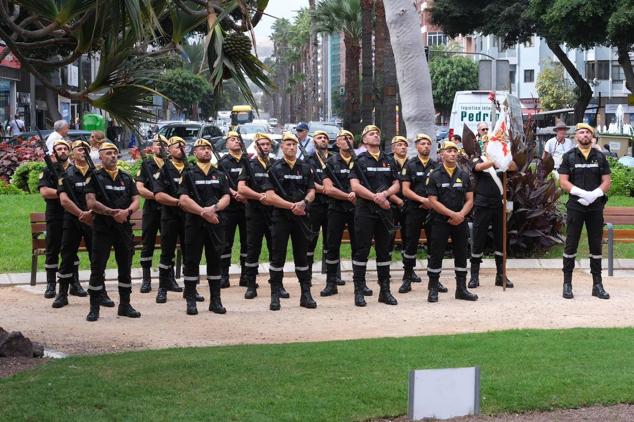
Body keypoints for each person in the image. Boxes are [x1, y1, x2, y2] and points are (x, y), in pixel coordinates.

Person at [85, 142, 141, 322]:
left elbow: (136, 201)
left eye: (115, 153)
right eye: (108, 153)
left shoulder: (126, 177)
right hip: (103, 228)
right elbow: (91, 203)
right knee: (97, 267)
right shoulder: (94, 176)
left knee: (125, 267)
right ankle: (94, 307)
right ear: (101, 157)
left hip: (123, 228)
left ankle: (125, 304)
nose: (113, 156)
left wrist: (126, 212)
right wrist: (112, 213)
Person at [262, 132, 316, 311]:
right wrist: (291, 206)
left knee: (302, 257)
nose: (291, 147)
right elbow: (269, 196)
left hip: (301, 218)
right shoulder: (275, 168)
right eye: (287, 144)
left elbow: (311, 191)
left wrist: (304, 203)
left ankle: (305, 294)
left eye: (294, 144)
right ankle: (275, 295)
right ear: (282, 147)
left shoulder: (306, 167)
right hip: (281, 218)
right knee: (278, 257)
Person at [558, 123, 611, 300]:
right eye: (581, 132)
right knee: (571, 244)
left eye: (588, 132)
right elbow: (563, 181)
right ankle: (567, 284)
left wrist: (594, 194)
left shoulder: (600, 157)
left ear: (592, 136)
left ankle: (597, 285)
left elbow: (606, 181)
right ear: (576, 137)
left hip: (595, 206)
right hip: (576, 205)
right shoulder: (569, 156)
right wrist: (581, 193)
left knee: (596, 245)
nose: (585, 135)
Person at [349, 125, 400, 307]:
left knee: (384, 251)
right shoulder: (359, 160)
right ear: (364, 140)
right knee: (362, 250)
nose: (376, 135)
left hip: (384, 211)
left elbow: (396, 185)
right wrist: (375, 198)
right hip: (366, 211)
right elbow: (355, 186)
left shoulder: (388, 159)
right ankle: (359, 290)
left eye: (377, 133)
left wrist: (385, 195)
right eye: (371, 134)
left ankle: (385, 291)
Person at [178, 138, 231, 315]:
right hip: (195, 224)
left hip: (216, 224)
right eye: (202, 149)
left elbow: (226, 197)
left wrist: (214, 209)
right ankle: (191, 300)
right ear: (195, 153)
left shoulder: (220, 174)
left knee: (215, 260)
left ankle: (216, 301)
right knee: (192, 261)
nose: (206, 151)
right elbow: (183, 200)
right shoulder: (189, 174)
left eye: (208, 148)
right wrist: (203, 212)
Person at [320, 130, 370, 297]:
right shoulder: (330, 161)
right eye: (343, 138)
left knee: (359, 246)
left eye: (349, 138)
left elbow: (367, 184)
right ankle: (331, 283)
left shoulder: (361, 161)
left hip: (358, 209)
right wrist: (348, 196)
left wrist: (357, 195)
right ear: (338, 143)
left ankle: (360, 283)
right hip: (337, 209)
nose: (347, 141)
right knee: (332, 245)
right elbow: (327, 188)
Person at [426, 140, 477, 303]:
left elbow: (470, 199)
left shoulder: (463, 174)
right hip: (440, 221)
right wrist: (452, 214)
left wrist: (460, 214)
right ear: (441, 154)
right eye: (449, 151)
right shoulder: (434, 175)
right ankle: (433, 288)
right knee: (436, 254)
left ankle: (461, 289)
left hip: (460, 221)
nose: (453, 154)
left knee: (462, 253)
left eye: (455, 151)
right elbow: (432, 201)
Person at [399, 133, 447, 294]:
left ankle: (435, 280)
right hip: (414, 210)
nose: (426, 146)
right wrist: (422, 200)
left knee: (434, 245)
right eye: (422, 144)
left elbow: (441, 189)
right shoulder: (410, 165)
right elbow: (405, 190)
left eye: (428, 144)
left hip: (433, 211)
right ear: (417, 146)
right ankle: (407, 279)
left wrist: (431, 203)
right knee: (410, 244)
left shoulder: (437, 166)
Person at [469, 136, 517, 289]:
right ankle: (474, 276)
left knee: (501, 240)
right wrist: (494, 161)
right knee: (478, 238)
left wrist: (505, 158)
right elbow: (477, 168)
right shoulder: (478, 158)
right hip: (482, 204)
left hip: (499, 205)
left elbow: (514, 167)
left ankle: (501, 275)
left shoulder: (502, 161)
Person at [52, 140, 93, 308]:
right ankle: (62, 294)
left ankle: (99, 292)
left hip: (92, 220)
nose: (83, 152)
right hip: (72, 220)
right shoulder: (66, 174)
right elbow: (64, 200)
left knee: (96, 256)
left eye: (86, 149)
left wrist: (91, 214)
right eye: (79, 149)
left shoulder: (96, 173)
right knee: (67, 256)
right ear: (72, 153)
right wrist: (80, 213)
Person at [237, 133, 277, 299]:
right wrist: (260, 196)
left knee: (275, 249)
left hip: (274, 213)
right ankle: (251, 284)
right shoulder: (249, 164)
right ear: (256, 146)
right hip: (255, 213)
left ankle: (277, 284)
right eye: (262, 144)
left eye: (268, 144)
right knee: (253, 249)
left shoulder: (276, 165)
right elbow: (241, 188)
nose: (265, 147)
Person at [153, 136, 190, 303]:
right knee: (167, 253)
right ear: (169, 150)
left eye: (183, 146)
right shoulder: (165, 169)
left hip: (189, 218)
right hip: (170, 217)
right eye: (177, 146)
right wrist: (177, 202)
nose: (180, 149)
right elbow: (159, 195)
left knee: (190, 253)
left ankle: (191, 289)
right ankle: (162, 288)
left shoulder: (191, 169)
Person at [38, 140, 72, 299]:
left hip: (72, 214)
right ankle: (51, 284)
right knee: (52, 249)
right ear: (54, 152)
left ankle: (74, 283)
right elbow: (44, 192)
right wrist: (64, 193)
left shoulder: (74, 170)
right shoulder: (48, 170)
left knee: (71, 250)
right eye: (60, 149)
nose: (63, 151)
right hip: (55, 214)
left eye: (65, 148)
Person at [135, 135, 167, 293]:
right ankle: (146, 279)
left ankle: (168, 279)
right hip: (152, 210)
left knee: (168, 244)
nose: (161, 147)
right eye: (158, 144)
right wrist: (157, 196)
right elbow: (140, 188)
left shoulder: (171, 165)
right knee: (148, 244)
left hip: (168, 211)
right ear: (152, 147)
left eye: (164, 145)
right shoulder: (147, 164)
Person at [217, 131, 248, 289]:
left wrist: (244, 194)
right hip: (229, 208)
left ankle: (245, 275)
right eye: (233, 139)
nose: (236, 141)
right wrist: (234, 193)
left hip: (246, 207)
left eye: (238, 139)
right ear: (227, 144)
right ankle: (224, 275)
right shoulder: (223, 162)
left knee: (246, 242)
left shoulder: (247, 160)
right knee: (226, 242)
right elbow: (220, 182)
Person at [304, 130, 334, 281]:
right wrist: (322, 189)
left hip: (332, 203)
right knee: (311, 238)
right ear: (313, 141)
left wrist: (331, 190)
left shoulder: (334, 158)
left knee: (331, 240)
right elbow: (308, 180)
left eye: (325, 137)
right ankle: (307, 274)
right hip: (315, 204)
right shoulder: (308, 159)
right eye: (319, 137)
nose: (323, 140)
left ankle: (332, 275)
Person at [387, 136, 411, 283]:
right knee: (388, 238)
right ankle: (386, 270)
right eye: (399, 145)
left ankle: (408, 270)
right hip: (391, 204)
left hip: (408, 205)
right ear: (393, 148)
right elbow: (385, 184)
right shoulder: (388, 162)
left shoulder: (411, 162)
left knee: (408, 237)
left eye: (405, 145)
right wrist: (397, 200)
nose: (403, 147)